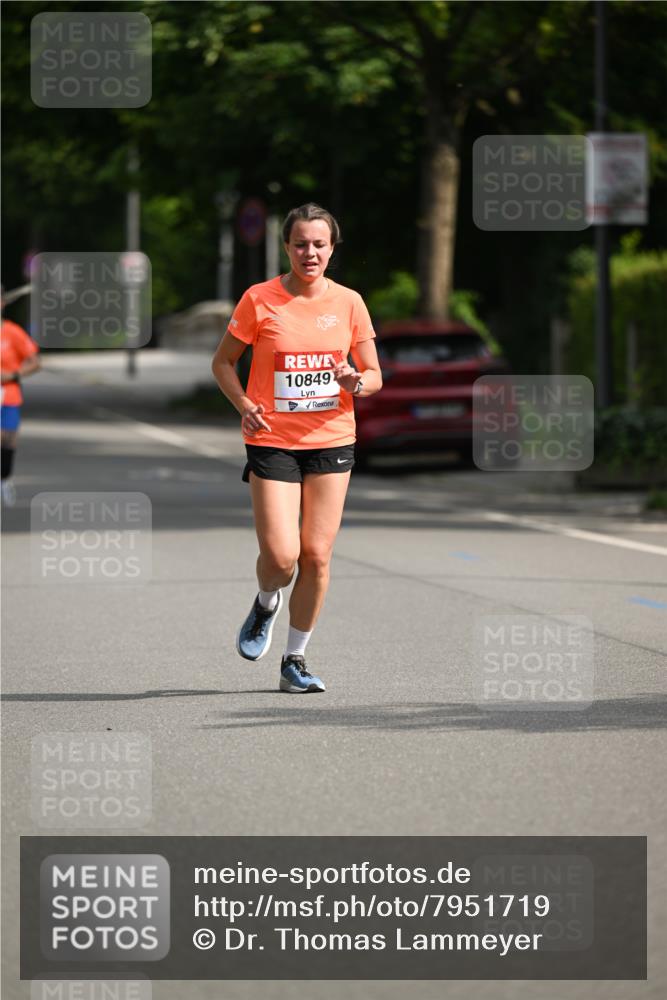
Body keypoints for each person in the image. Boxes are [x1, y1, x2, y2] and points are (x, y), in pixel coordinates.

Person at [211, 203, 382, 693]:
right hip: (271, 438)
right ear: (286, 247)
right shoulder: (259, 299)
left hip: (331, 438)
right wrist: (243, 403)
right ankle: (267, 600)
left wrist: (355, 380)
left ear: (332, 248)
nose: (310, 252)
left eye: (319, 244)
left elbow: (373, 376)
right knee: (283, 558)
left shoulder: (349, 302)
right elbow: (223, 363)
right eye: (301, 243)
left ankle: (294, 661)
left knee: (317, 556)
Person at [1, 288, 41, 506]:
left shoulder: (12, 332)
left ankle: (4, 479)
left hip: (9, 394)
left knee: (8, 440)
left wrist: (13, 374)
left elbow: (35, 362)